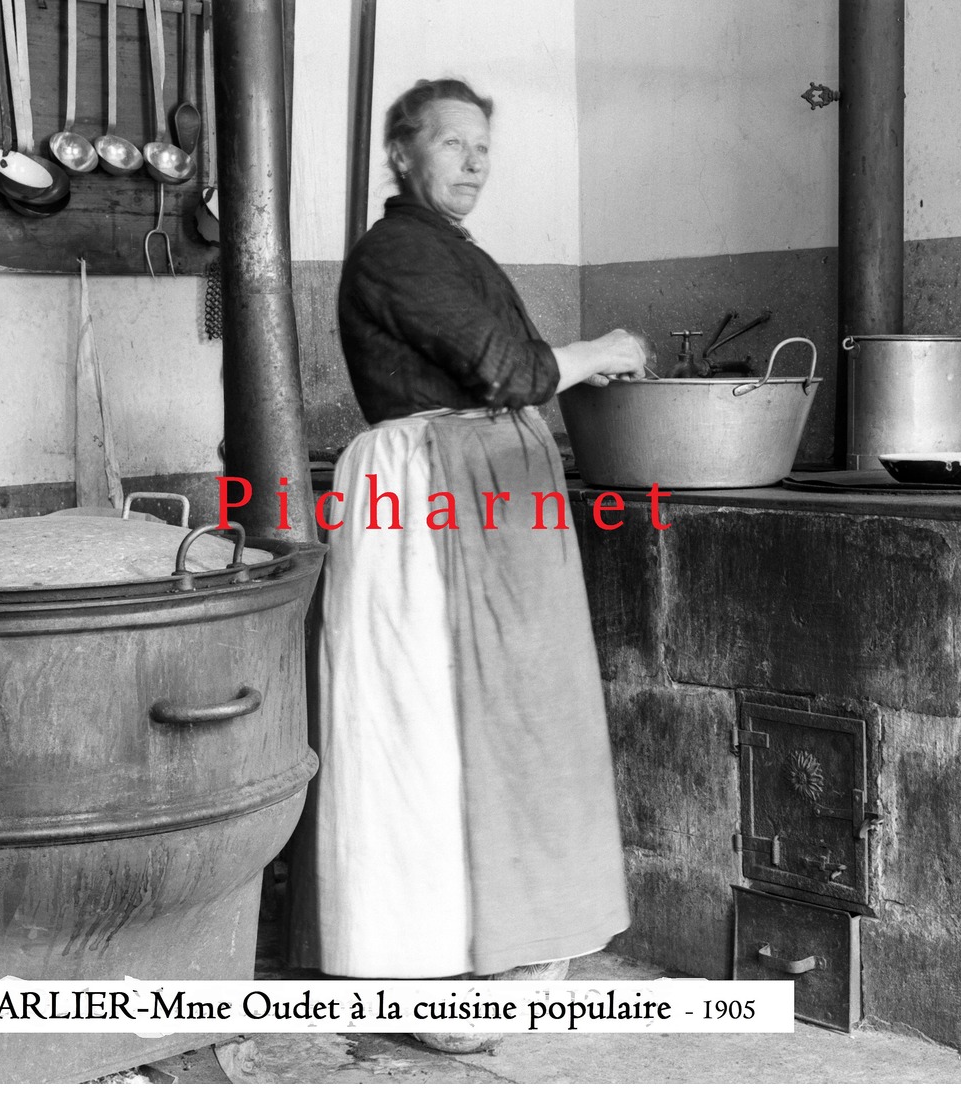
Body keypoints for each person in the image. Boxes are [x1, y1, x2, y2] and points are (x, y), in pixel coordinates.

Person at [285, 78, 643, 1026]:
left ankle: (501, 942)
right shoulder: (397, 253)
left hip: (476, 484)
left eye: (483, 145)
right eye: (452, 144)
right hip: (426, 491)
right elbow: (511, 369)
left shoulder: (443, 247)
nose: (476, 162)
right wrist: (602, 346)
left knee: (500, 714)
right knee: (428, 717)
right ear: (400, 155)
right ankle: (422, 960)